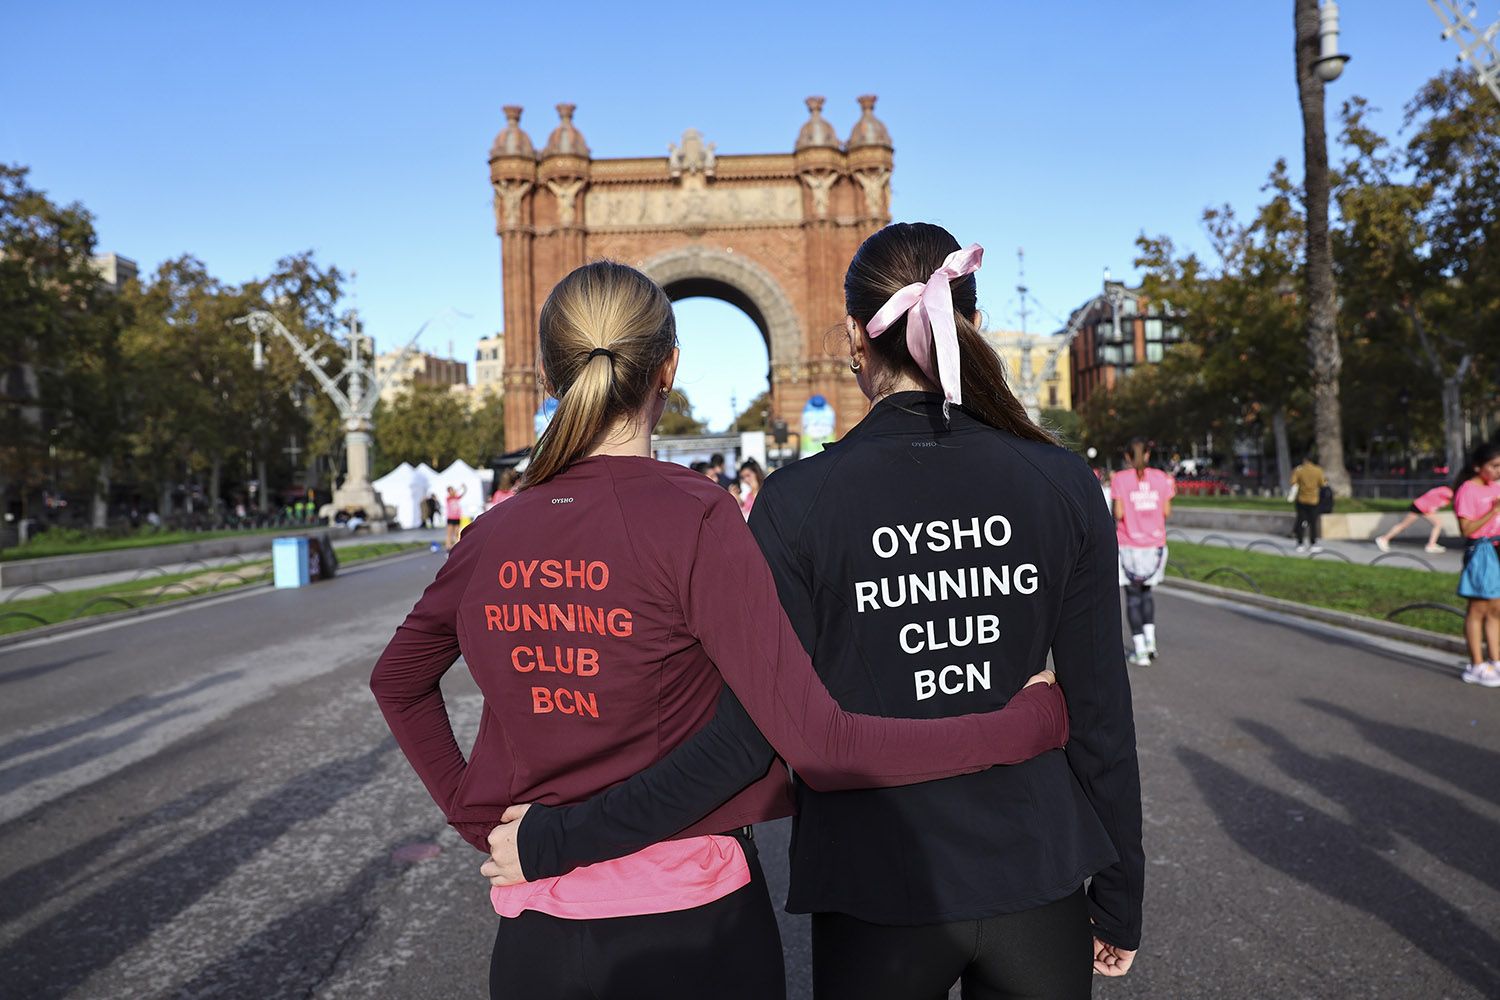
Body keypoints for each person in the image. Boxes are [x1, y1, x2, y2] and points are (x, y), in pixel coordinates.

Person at [369, 259, 1070, 1000]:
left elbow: (398, 681)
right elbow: (818, 742)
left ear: (548, 375)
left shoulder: (488, 536)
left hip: (537, 940)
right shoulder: (696, 516)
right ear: (668, 368)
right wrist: (1025, 724)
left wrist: (480, 819)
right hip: (694, 927)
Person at [1111, 438, 1174, 667]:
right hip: (1155, 545)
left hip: (1129, 545)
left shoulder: (1119, 479)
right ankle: (1151, 643)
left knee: (1133, 597)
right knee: (1147, 594)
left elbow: (1118, 514)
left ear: (1127, 456)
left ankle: (1140, 650)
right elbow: (1166, 511)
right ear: (1147, 455)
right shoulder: (1161, 478)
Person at [1454, 442, 1500, 687]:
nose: (1498, 471)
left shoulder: (1495, 487)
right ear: (1477, 467)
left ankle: (1495, 659)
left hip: (1497, 548)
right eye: (1494, 466)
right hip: (1480, 552)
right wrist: (1493, 512)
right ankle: (1476, 665)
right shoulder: (1468, 490)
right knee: (1478, 609)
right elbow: (1466, 529)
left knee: (1496, 609)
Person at [1375, 485, 1451, 554]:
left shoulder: (1445, 494)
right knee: (1437, 523)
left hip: (1422, 507)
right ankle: (1384, 539)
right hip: (1421, 507)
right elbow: (1433, 495)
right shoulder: (1447, 491)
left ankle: (1431, 544)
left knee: (1437, 523)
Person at [1289, 454, 1328, 554]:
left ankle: (1300, 543)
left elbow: (1293, 482)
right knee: (1313, 523)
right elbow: (1323, 484)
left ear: (1305, 460)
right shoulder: (1318, 470)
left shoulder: (1299, 470)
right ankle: (1313, 543)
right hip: (1314, 500)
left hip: (1301, 500)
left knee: (1301, 521)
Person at [442, 485, 467, 551]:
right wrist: (457, 489)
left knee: (456, 533)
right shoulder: (448, 498)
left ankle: (456, 546)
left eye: (452, 490)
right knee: (449, 533)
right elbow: (452, 494)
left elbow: (463, 494)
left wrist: (464, 488)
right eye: (451, 490)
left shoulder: (456, 497)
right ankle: (448, 546)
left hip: (457, 517)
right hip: (450, 518)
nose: (453, 491)